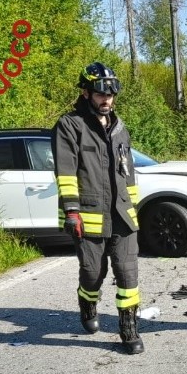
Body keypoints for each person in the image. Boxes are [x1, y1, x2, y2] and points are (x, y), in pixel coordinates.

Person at [53, 62, 144, 354]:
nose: (107, 100)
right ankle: (87, 300)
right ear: (85, 93)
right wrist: (71, 211)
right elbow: (65, 173)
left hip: (122, 215)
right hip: (89, 215)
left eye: (111, 95)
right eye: (100, 94)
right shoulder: (70, 125)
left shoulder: (120, 128)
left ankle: (128, 330)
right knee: (93, 273)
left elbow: (128, 173)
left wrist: (134, 208)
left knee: (128, 272)